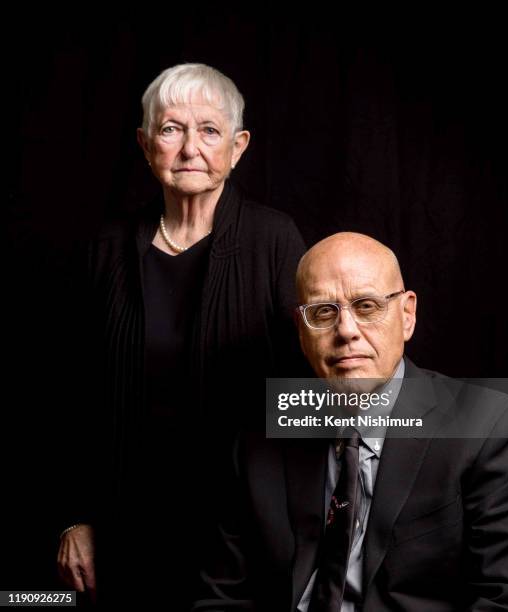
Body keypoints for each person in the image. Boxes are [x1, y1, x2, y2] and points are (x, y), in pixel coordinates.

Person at [56, 63, 306, 607]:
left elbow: (307, 382)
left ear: (238, 147)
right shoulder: (106, 248)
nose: (191, 147)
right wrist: (75, 517)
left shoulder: (274, 240)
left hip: (243, 534)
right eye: (171, 129)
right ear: (146, 146)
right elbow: (73, 395)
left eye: (209, 130)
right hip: (127, 526)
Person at [193, 232, 508, 611]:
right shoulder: (259, 436)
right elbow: (224, 598)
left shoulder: (488, 424)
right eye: (323, 312)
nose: (346, 330)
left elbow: (504, 600)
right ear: (301, 329)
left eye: (366, 305)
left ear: (407, 315)